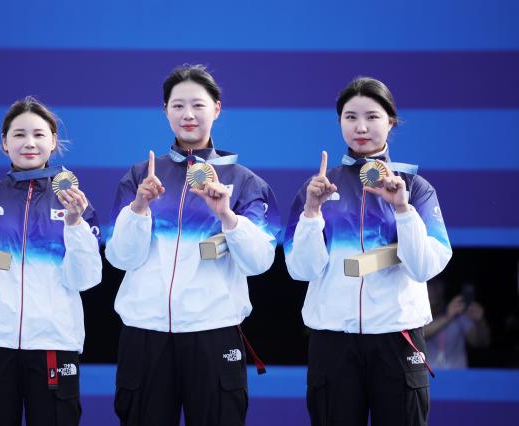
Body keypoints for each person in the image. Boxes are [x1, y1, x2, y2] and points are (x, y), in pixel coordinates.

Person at [105, 64, 281, 426]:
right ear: (165, 111)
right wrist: (139, 207)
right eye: (178, 105)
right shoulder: (141, 177)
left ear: (217, 108)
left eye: (198, 105)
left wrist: (227, 216)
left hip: (213, 333)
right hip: (145, 334)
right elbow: (121, 256)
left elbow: (259, 262)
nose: (188, 115)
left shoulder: (245, 182)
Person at [284, 77, 452, 426]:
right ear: (339, 122)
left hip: (398, 337)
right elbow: (301, 270)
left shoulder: (416, 187)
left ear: (391, 121)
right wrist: (312, 213)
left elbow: (424, 268)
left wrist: (403, 210)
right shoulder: (317, 187)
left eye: (372, 116)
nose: (361, 127)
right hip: (333, 341)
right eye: (350, 117)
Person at [0, 96, 102, 426]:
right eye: (19, 134)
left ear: (53, 142)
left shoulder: (73, 202)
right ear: (4, 144)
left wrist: (74, 224)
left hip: (54, 342)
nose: (29, 142)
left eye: (39, 134)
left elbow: (86, 279)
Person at [425, 279, 491, 368]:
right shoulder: (417, 317)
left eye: (436, 284)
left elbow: (480, 342)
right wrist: (447, 317)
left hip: (458, 378)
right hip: (428, 379)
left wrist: (480, 321)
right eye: (428, 284)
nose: (433, 289)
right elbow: (421, 335)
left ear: (443, 286)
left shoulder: (458, 314)